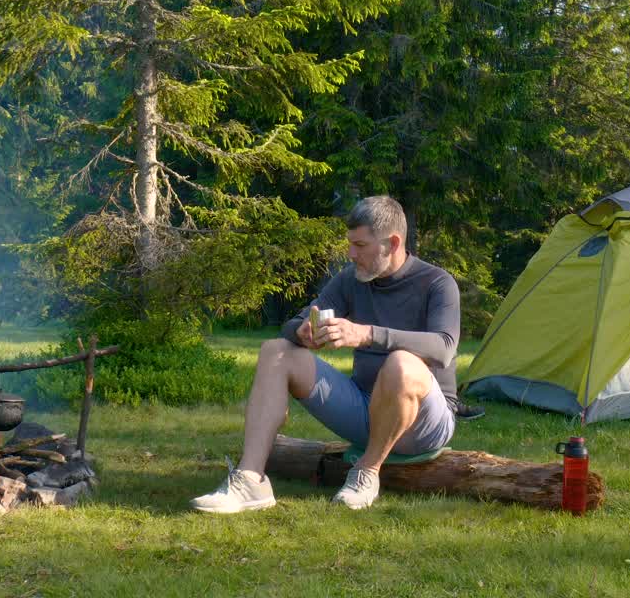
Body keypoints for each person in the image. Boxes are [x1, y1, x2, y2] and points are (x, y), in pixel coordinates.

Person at [191, 195, 462, 512]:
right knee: (276, 351)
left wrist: (365, 334)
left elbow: (443, 348)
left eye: (360, 246)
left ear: (392, 243)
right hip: (366, 410)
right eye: (350, 244)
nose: (351, 254)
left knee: (401, 364)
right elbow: (295, 324)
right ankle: (251, 479)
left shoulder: (437, 283)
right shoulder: (351, 279)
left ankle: (366, 472)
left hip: (425, 423)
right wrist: (302, 330)